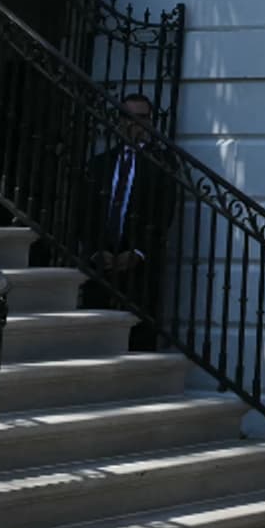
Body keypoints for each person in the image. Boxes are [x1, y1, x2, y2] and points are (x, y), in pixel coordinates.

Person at [89, 91, 172, 348]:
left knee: (138, 331)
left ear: (150, 123)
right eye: (127, 117)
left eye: (141, 118)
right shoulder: (100, 163)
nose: (133, 124)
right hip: (101, 258)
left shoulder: (162, 165)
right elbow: (87, 210)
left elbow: (163, 214)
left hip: (138, 262)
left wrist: (138, 252)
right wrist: (94, 249)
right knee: (97, 328)